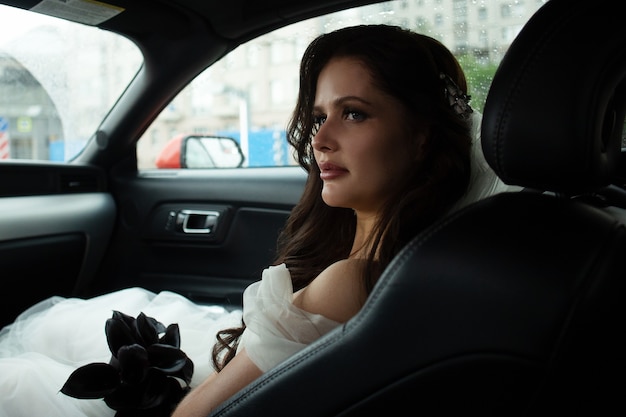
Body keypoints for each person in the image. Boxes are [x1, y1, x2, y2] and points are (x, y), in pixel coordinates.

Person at [0, 24, 508, 417]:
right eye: (317, 116)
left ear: (422, 136)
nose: (321, 138)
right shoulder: (419, 254)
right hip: (225, 362)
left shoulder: (350, 281)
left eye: (353, 113)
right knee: (57, 333)